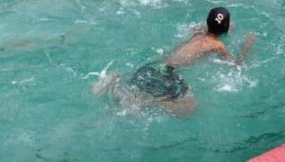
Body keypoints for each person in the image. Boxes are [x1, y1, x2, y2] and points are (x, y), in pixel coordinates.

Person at [93, 7, 256, 116]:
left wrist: (221, 25)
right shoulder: (217, 44)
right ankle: (148, 101)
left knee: (138, 87)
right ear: (225, 29)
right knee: (189, 108)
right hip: (167, 73)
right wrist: (247, 46)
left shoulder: (199, 34)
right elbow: (235, 64)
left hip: (155, 65)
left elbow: (202, 26)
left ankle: (115, 84)